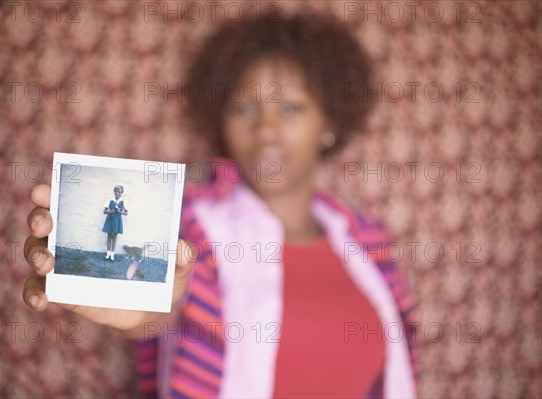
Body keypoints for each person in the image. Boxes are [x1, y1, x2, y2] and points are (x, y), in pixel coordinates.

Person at [23, 12, 418, 398]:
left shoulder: (368, 242)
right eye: (244, 108)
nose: (265, 128)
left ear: (329, 123)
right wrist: (141, 315)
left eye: (291, 108)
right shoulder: (194, 226)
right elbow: (163, 309)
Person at [102, 184, 128, 261]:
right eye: (116, 191)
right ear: (114, 192)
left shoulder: (123, 202)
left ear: (121, 193)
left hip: (117, 221)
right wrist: (111, 211)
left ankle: (112, 255)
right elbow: (104, 211)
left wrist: (120, 212)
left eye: (119, 192)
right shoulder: (110, 200)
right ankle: (108, 254)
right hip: (110, 220)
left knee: (115, 237)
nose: (117, 193)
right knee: (109, 236)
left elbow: (126, 213)